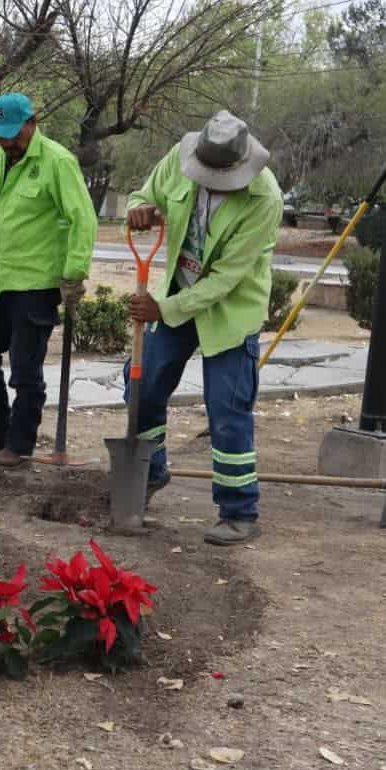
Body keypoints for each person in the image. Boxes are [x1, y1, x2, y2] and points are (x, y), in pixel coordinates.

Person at [124, 111, 281, 546]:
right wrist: (139, 209)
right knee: (141, 387)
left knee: (227, 408)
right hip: (177, 292)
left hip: (230, 310)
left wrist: (163, 309)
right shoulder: (180, 159)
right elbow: (144, 193)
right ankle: (149, 473)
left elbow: (225, 279)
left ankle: (239, 512)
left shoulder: (264, 197)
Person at [0, 93, 96, 468]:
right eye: (0, 135)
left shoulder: (58, 162)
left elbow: (83, 220)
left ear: (32, 123)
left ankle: (19, 445)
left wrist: (73, 275)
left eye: (13, 134)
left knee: (24, 371)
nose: (6, 142)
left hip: (35, 285)